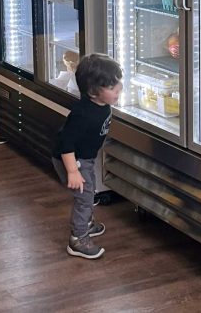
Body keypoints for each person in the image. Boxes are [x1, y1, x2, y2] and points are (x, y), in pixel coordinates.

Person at [52, 53, 123, 259]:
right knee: (85, 198)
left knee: (89, 193)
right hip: (72, 159)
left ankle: (86, 224)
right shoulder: (82, 114)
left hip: (85, 158)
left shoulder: (101, 105)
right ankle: (78, 238)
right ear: (93, 92)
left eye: (118, 82)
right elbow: (66, 143)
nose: (118, 89)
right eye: (111, 87)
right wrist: (72, 171)